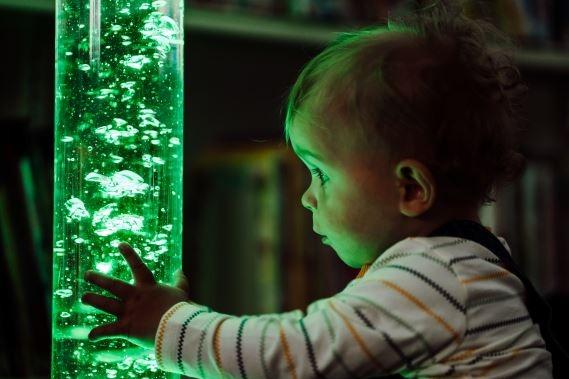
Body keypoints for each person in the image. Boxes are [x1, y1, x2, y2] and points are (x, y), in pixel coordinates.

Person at [82, 1, 558, 377]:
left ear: (411, 188)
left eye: (322, 174)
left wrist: (170, 325)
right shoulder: (468, 263)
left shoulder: (435, 277)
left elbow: (293, 358)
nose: (307, 196)